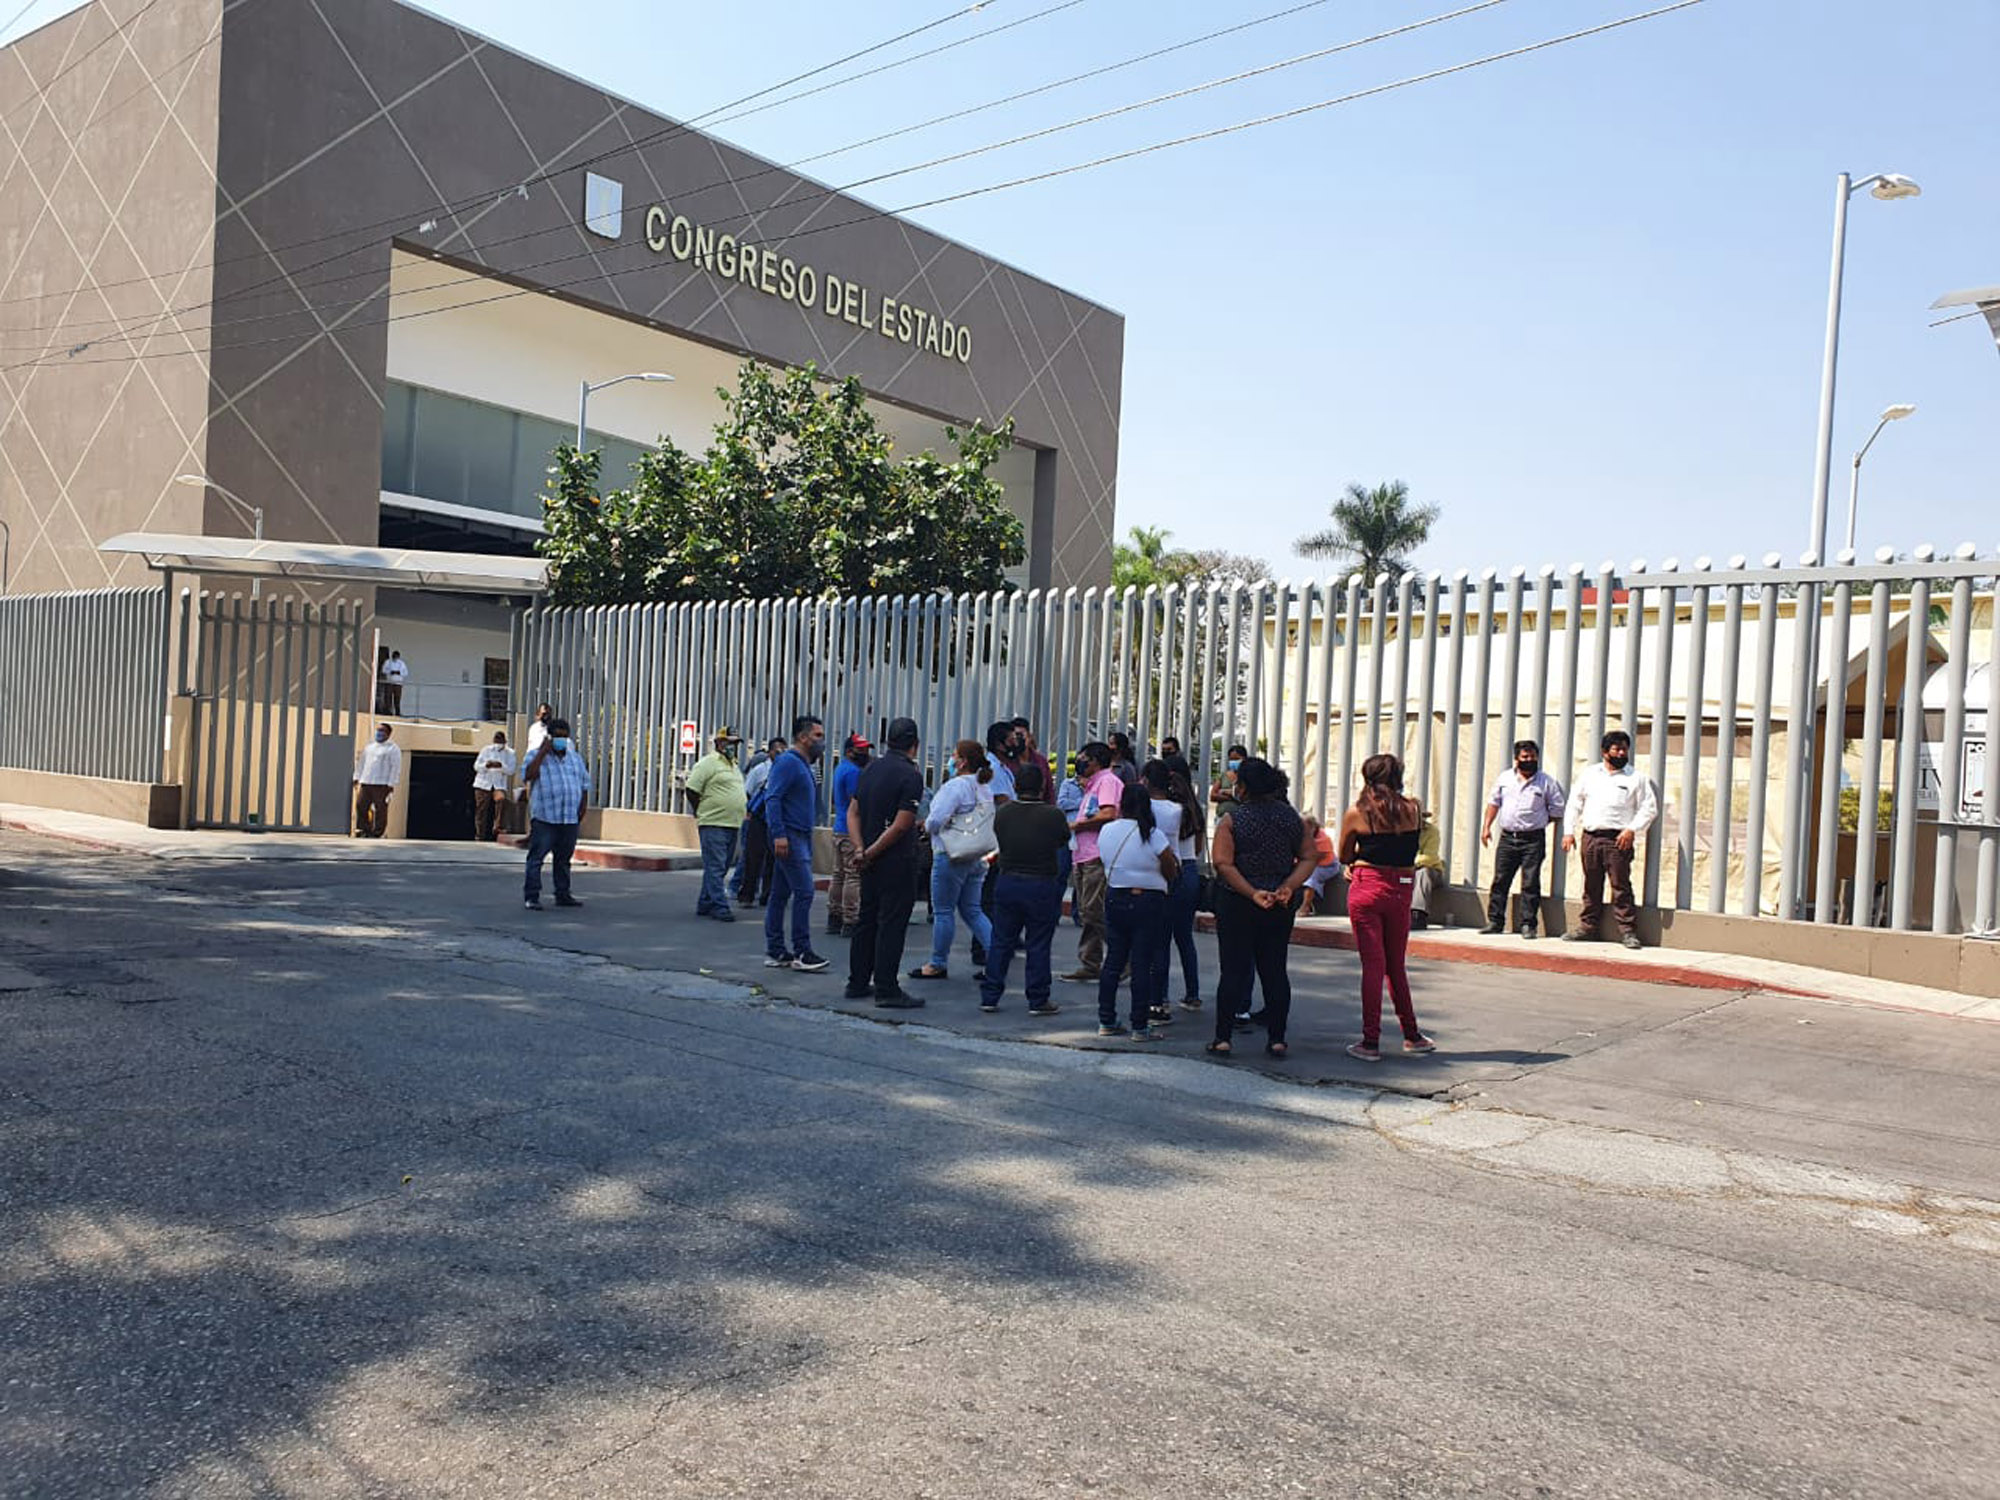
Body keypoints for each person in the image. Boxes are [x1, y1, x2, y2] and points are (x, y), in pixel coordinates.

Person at [1207, 757, 1316, 1060]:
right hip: (1279, 903)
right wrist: (1289, 886)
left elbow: (1223, 864)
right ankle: (1277, 1038)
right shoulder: (1291, 818)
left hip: (1238, 901)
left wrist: (1252, 892)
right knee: (1274, 970)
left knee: (1233, 970)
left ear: (1242, 787)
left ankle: (1222, 1037)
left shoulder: (1233, 820)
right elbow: (1310, 857)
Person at [1337, 753, 1436, 1062]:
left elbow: (1343, 855)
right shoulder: (1413, 808)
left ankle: (1370, 1040)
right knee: (1396, 965)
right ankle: (1412, 1035)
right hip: (1402, 887)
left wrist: (1355, 861)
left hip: (1368, 883)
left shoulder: (1357, 813)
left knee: (1372, 966)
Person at [845, 717, 926, 1008]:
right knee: (891, 923)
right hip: (895, 860)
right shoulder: (911, 775)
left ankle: (857, 981)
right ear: (914, 745)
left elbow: (852, 812)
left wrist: (859, 849)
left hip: (869, 859)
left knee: (866, 919)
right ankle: (887, 988)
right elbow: (902, 825)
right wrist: (872, 851)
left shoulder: (870, 769)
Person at [979, 762, 1068, 1016]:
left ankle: (990, 995)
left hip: (1008, 880)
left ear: (1016, 786)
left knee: (1001, 941)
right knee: (1038, 942)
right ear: (1041, 787)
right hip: (1041, 882)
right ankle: (1038, 999)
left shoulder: (1004, 813)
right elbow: (1062, 839)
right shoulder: (1053, 815)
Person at [1094, 782, 1179, 1040]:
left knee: (1114, 960)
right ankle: (1140, 1025)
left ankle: (1106, 1019)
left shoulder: (1107, 830)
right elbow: (1170, 868)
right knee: (1142, 963)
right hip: (1148, 901)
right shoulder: (1152, 834)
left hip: (1115, 897)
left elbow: (1102, 859)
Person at [1562, 730, 1659, 950]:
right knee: (1591, 885)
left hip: (1618, 841)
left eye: (1624, 749)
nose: (1621, 753)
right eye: (1616, 749)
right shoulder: (1589, 774)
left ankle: (1627, 931)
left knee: (1621, 886)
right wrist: (1569, 831)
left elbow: (1649, 808)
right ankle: (1588, 927)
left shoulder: (1636, 778)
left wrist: (1631, 829)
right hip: (1591, 838)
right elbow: (1574, 804)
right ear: (1605, 752)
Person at [911, 739, 998, 981]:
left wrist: (927, 826)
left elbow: (935, 820)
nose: (951, 760)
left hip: (950, 855)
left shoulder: (954, 787)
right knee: (972, 910)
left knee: (943, 910)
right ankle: (996, 958)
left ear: (962, 762)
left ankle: (938, 962)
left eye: (955, 755)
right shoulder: (984, 787)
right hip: (977, 854)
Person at [762, 715, 829, 972]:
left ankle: (776, 950)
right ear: (803, 737)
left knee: (780, 894)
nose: (821, 742)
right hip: (789, 836)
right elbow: (773, 798)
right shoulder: (788, 763)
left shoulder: (802, 764)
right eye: (818, 736)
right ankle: (802, 951)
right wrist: (779, 834)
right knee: (804, 891)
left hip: (799, 835)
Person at [1481, 739, 1567, 938]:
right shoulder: (1505, 779)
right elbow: (1493, 803)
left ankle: (1528, 924)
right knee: (1501, 880)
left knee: (1530, 882)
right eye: (1525, 757)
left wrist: (1537, 822)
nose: (1529, 760)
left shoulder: (1546, 782)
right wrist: (1486, 827)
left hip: (1533, 840)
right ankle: (1495, 921)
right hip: (1507, 838)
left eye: (1533, 757)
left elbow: (1557, 809)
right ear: (1516, 759)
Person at [1142, 759, 1205, 1015]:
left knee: (1160, 940)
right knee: (1184, 937)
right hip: (1189, 870)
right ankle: (1193, 994)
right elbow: (1199, 848)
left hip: (1166, 871)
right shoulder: (1192, 809)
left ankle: (1160, 998)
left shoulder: (1154, 809)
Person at [1060, 742, 1127, 982]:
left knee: (1093, 909)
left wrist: (1077, 825)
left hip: (1096, 853)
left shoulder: (1107, 782)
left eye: (1084, 759)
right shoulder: (1093, 783)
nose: (1080, 762)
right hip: (1083, 852)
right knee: (1089, 911)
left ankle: (1123, 956)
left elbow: (1109, 813)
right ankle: (1090, 962)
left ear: (1096, 761)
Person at [522, 717, 590, 911]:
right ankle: (532, 896)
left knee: (563, 860)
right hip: (545, 818)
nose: (561, 740)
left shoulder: (575, 758)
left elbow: (584, 785)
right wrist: (543, 752)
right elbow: (528, 775)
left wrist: (582, 810)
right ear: (549, 737)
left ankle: (563, 894)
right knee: (536, 858)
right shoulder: (536, 756)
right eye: (557, 736)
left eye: (564, 736)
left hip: (569, 818)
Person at [684, 726, 746, 922]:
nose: (733, 747)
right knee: (716, 866)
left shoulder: (733, 765)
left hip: (732, 823)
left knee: (719, 866)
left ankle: (705, 902)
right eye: (729, 742)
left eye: (735, 743)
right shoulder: (708, 763)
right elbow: (692, 789)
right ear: (719, 743)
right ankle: (720, 906)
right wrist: (700, 810)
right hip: (713, 822)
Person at [826, 733, 871, 937]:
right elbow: (857, 803)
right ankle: (850, 919)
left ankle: (834, 916)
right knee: (853, 875)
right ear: (849, 751)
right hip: (851, 830)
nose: (864, 752)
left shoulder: (841, 768)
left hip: (839, 827)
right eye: (860, 749)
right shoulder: (854, 773)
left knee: (838, 875)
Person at [734, 735, 787, 907]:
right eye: (777, 750)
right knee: (753, 858)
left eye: (784, 750)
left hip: (776, 820)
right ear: (770, 752)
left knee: (773, 860)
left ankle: (768, 895)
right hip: (758, 819)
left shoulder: (787, 769)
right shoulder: (760, 770)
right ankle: (747, 894)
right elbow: (747, 791)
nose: (781, 753)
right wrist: (748, 812)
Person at [352, 722, 401, 838]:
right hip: (366, 781)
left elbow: (395, 767)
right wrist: (357, 777)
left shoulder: (393, 749)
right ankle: (364, 830)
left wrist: (391, 783)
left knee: (381, 809)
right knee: (361, 805)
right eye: (378, 730)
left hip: (382, 784)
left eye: (382, 731)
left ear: (388, 734)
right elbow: (361, 763)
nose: (379, 733)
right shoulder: (369, 747)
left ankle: (377, 832)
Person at [1055, 753, 1084, 925]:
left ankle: (1078, 912)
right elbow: (1062, 803)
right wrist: (1082, 801)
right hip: (1067, 833)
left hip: (1084, 834)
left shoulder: (1094, 786)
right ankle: (1054, 911)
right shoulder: (1068, 783)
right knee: (1061, 873)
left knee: (1080, 876)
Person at [471, 730, 514, 842]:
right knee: (481, 809)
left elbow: (511, 770)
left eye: (500, 740)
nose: (498, 743)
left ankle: (497, 828)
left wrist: (501, 766)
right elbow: (476, 766)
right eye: (497, 740)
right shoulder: (486, 750)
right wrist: (486, 765)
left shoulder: (510, 753)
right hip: (483, 784)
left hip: (498, 784)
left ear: (504, 741)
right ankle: (480, 835)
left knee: (501, 801)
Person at [1297, 817, 1344, 916]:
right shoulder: (1301, 836)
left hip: (1326, 866)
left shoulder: (1323, 839)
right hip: (1308, 864)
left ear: (1313, 827)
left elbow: (1314, 857)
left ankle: (1305, 906)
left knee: (1311, 877)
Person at [1411, 811, 1445, 929]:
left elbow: (1429, 857)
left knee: (1422, 873)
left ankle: (1418, 915)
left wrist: (1406, 864)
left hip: (1430, 871)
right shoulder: (1398, 830)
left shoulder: (1432, 831)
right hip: (1405, 870)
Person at [1012, 717, 1055, 803]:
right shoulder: (1007, 761)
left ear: (1029, 737)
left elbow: (1049, 792)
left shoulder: (1041, 761)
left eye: (1020, 735)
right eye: (1014, 736)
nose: (1017, 740)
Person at [1209, 743, 1249, 809]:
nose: (1233, 762)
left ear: (1244, 758)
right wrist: (1232, 797)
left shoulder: (1248, 775)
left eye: (1236, 759)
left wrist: (1226, 792)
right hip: (1222, 815)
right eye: (1231, 759)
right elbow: (1213, 796)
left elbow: (1246, 796)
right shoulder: (1223, 775)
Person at [378, 650, 408, 714]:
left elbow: (405, 673)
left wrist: (399, 672)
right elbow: (383, 670)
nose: (395, 658)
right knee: (388, 697)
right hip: (389, 682)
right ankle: (388, 711)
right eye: (394, 656)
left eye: (396, 656)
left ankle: (397, 712)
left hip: (398, 683)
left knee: (397, 698)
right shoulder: (388, 662)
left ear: (398, 657)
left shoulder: (402, 663)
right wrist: (390, 672)